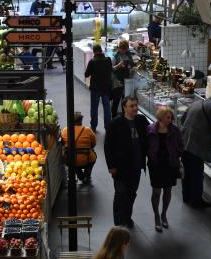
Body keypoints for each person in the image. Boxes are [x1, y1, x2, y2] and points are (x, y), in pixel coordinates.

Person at [105, 97, 149, 228]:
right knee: (120, 194)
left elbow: (151, 132)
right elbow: (108, 146)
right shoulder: (115, 124)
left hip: (136, 166)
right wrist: (111, 166)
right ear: (124, 107)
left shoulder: (141, 120)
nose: (135, 108)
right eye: (132, 106)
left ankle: (127, 217)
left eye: (136, 105)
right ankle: (118, 223)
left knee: (131, 193)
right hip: (121, 167)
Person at [181, 92, 211, 209]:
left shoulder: (197, 103)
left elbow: (182, 119)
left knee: (187, 172)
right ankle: (196, 201)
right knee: (197, 174)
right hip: (197, 146)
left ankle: (186, 196)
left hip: (185, 141)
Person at [147, 107, 184, 232]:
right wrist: (151, 155)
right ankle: (157, 216)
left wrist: (175, 154)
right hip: (155, 165)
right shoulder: (151, 129)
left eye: (171, 117)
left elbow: (181, 145)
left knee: (168, 190)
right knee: (156, 191)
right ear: (161, 117)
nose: (171, 119)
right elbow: (147, 145)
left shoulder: (175, 130)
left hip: (170, 164)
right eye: (168, 117)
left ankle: (164, 214)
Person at [61, 112, 97, 185]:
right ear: (81, 121)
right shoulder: (88, 130)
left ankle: (80, 176)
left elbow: (63, 143)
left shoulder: (65, 130)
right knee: (93, 157)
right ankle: (87, 174)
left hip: (71, 160)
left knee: (74, 163)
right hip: (86, 159)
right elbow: (94, 143)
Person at [84, 44, 112, 132]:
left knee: (94, 108)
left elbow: (86, 74)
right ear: (101, 50)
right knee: (107, 108)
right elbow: (110, 70)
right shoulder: (108, 60)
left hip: (95, 88)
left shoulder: (92, 61)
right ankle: (108, 127)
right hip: (106, 88)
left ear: (94, 51)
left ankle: (93, 126)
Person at [111, 41, 135, 118]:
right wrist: (118, 65)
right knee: (116, 100)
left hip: (127, 80)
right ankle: (114, 117)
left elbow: (131, 63)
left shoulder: (128, 54)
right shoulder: (115, 56)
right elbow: (111, 69)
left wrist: (132, 66)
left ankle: (124, 117)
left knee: (125, 101)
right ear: (119, 48)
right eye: (122, 49)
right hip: (118, 81)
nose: (123, 51)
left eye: (125, 49)